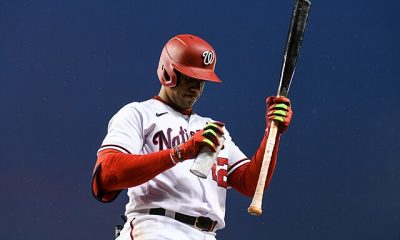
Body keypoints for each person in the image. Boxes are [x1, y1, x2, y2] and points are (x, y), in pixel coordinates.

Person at [91, 34, 293, 240]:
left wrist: (272, 134)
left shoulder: (211, 128)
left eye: (201, 80)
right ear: (167, 72)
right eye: (189, 77)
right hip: (156, 226)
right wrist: (181, 152)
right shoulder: (139, 113)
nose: (196, 87)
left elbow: (250, 184)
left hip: (208, 234)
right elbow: (107, 176)